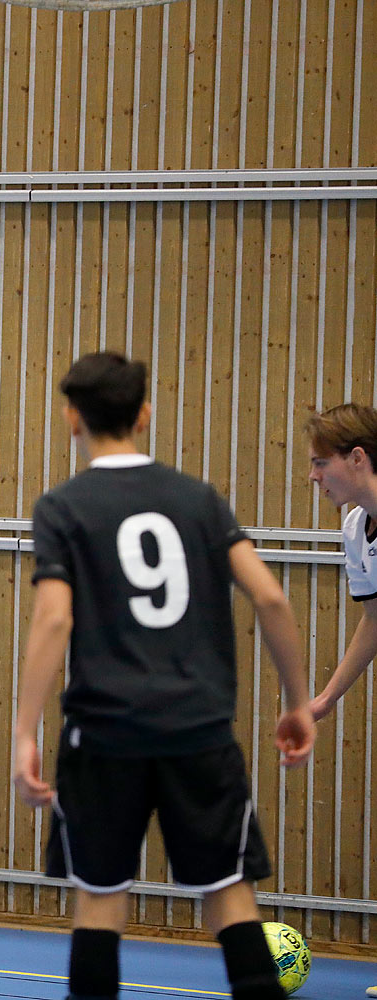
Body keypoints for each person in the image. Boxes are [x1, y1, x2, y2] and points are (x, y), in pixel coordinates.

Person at [11, 352, 315, 1000]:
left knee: (100, 902)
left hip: (104, 735)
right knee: (231, 897)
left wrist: (24, 731)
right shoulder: (199, 500)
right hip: (198, 729)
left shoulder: (63, 507)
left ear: (72, 417)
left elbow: (54, 619)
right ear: (145, 414)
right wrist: (298, 703)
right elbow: (270, 598)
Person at [303, 402, 377, 1000]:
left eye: (320, 463)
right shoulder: (356, 527)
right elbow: (375, 621)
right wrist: (327, 696)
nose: (313, 475)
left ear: (357, 459)